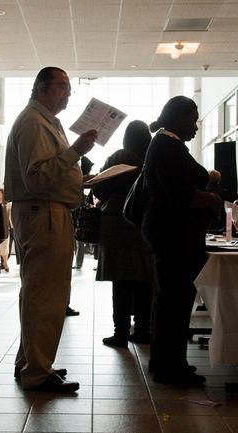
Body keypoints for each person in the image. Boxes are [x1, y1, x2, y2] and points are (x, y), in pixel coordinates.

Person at [4, 66, 97, 392]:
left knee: (39, 294)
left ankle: (30, 362)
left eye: (69, 88)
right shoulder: (33, 122)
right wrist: (77, 152)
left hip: (47, 212)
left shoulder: (46, 121)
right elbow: (37, 178)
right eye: (61, 87)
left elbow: (50, 173)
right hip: (43, 213)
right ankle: (36, 373)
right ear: (41, 88)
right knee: (46, 295)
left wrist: (77, 176)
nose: (68, 93)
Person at [141, 96, 220, 386]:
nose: (196, 127)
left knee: (170, 300)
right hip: (174, 234)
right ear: (178, 118)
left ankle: (168, 362)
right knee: (174, 301)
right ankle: (169, 366)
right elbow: (182, 193)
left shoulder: (166, 144)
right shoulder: (168, 147)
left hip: (170, 232)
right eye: (192, 120)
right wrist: (211, 198)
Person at [91, 120, 155, 348]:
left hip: (115, 222)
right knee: (144, 278)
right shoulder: (151, 158)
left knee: (121, 280)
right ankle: (143, 329)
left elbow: (98, 188)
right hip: (142, 223)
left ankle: (120, 332)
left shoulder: (117, 158)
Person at [72, 156, 95, 270]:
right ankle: (78, 263)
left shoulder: (75, 177)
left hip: (73, 211)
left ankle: (77, 263)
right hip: (79, 212)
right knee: (79, 240)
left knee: (75, 240)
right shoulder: (82, 178)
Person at [206, 169, 235, 233]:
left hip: (208, 225)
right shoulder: (226, 193)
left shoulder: (204, 193)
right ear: (219, 180)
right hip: (223, 225)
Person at [0, 187, 10, 273]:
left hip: (5, 228)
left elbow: (9, 217)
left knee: (4, 248)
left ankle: (5, 263)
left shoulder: (7, 205)